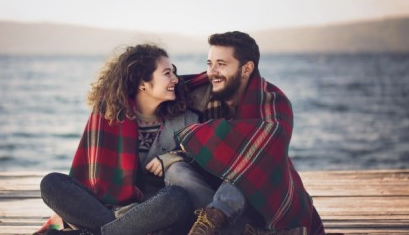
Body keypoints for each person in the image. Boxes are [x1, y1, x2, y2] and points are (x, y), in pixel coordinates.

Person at [173, 31, 325, 235]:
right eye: (209, 63)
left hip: (261, 197)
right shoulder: (201, 95)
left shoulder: (274, 101)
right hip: (213, 190)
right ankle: (230, 228)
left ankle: (215, 218)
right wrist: (173, 155)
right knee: (175, 171)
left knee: (251, 155)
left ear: (246, 69)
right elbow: (155, 94)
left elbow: (266, 140)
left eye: (221, 64)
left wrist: (195, 134)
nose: (212, 72)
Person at [36, 44, 198, 235]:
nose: (175, 79)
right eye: (167, 73)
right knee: (51, 183)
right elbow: (90, 177)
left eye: (174, 72)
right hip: (107, 208)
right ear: (142, 83)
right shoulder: (110, 116)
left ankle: (98, 232)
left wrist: (175, 156)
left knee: (177, 198)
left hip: (152, 211)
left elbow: (199, 166)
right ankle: (114, 230)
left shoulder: (187, 120)